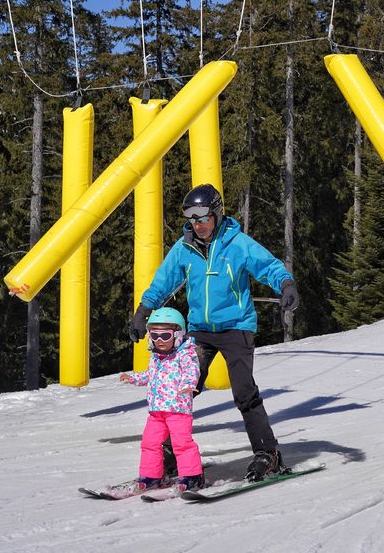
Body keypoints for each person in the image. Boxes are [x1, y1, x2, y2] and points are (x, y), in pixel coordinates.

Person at [128, 184, 300, 482]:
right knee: (181, 388)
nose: (198, 223)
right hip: (199, 331)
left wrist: (286, 285)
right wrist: (143, 312)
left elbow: (268, 266)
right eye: (191, 218)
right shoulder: (184, 247)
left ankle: (267, 454)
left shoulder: (237, 243)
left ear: (217, 214)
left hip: (236, 327)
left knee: (244, 392)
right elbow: (162, 282)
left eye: (203, 217)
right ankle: (171, 453)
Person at [120, 307, 205, 493]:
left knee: (182, 444)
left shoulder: (185, 353)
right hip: (157, 411)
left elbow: (192, 371)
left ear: (178, 335)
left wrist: (189, 384)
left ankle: (192, 477)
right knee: (149, 443)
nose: (159, 340)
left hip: (178, 410)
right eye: (154, 335)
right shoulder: (156, 357)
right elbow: (150, 375)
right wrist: (134, 378)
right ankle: (151, 476)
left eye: (165, 336)